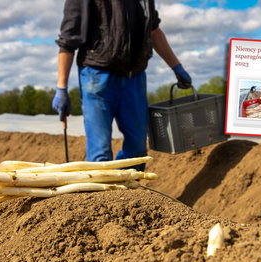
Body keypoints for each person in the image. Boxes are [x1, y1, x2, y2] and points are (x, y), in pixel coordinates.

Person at [52, 0, 192, 170]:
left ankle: (126, 194)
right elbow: (68, 38)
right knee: (100, 151)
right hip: (97, 77)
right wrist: (62, 87)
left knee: (138, 149)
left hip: (134, 78)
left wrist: (176, 67)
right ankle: (99, 195)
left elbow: (153, 31)